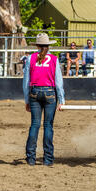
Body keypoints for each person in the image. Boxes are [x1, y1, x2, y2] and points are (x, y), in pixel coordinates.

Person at [23, 33, 65, 167]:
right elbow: (58, 82)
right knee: (48, 126)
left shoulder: (30, 59)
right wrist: (62, 99)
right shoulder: (54, 59)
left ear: (37, 45)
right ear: (48, 45)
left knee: (35, 124)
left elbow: (26, 82)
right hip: (50, 93)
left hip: (34, 92)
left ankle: (30, 158)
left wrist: (27, 100)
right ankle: (47, 159)